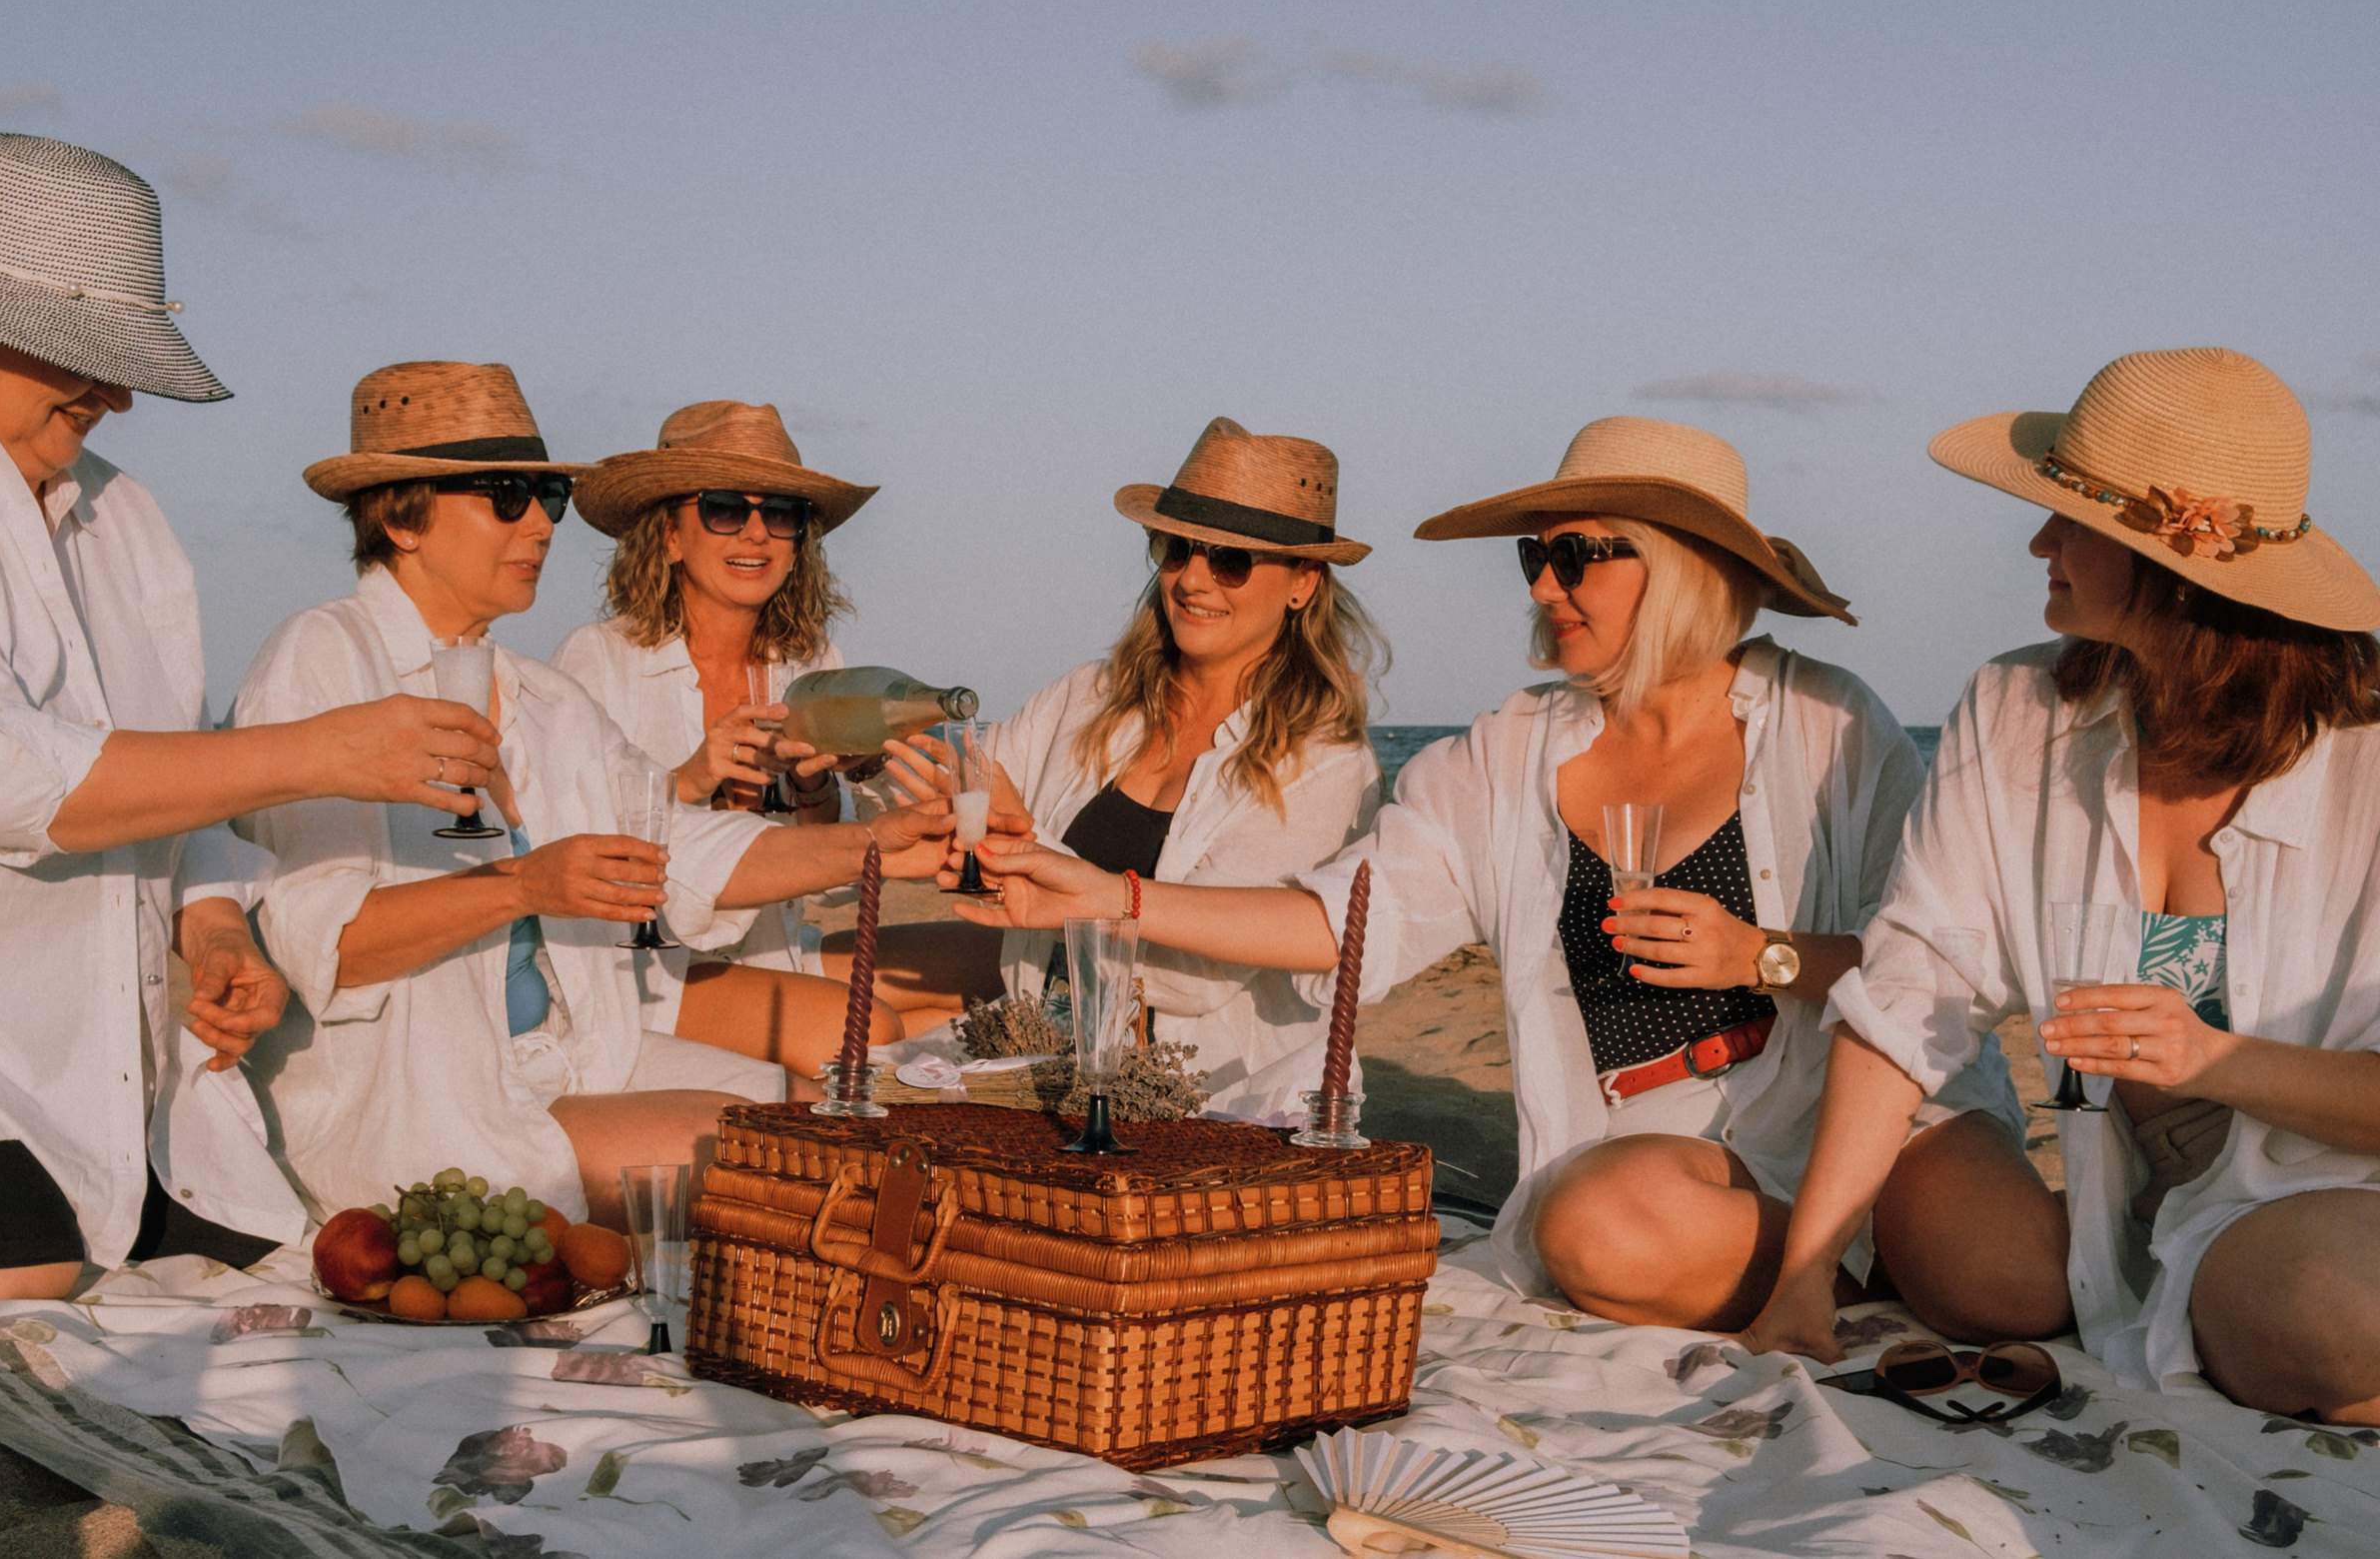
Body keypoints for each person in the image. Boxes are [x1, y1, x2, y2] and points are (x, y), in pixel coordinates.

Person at [956, 416, 2015, 1328]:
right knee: (1595, 1230)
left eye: (1578, 556)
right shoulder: (1506, 753)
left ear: (1683, 563)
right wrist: (1111, 895)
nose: (1543, 585)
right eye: (1533, 560)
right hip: (1663, 1146)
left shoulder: (1830, 725)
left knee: (2002, 1288)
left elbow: (1927, 966)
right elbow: (1341, 921)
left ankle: (1839, 1255)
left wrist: (1759, 953)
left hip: (1855, 1110)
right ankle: (1822, 1272)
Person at [0, 136, 498, 1301]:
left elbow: (182, 774)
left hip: (93, 1043)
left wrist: (213, 929)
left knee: (261, 1278)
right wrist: (325, 749)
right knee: (22, 1278)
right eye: (85, 357)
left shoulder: (120, 514)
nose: (119, 394)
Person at [1745, 349, 2380, 1420]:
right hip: (2107, 1194)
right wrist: (1800, 1274)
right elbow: (1910, 983)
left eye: (2071, 520)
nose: (2037, 540)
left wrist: (2213, 1057)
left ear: (2173, 563)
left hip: (2326, 1185)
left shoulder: (2363, 765)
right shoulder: (2016, 709)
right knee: (1972, 1275)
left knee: (2329, 1311)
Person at [236, 363, 942, 1228]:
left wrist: (874, 845)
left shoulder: (541, 694)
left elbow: (675, 846)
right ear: (398, 517)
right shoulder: (322, 658)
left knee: (841, 1123)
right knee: (783, 1164)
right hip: (421, 1090)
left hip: (577, 1057)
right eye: (507, 496)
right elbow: (327, 947)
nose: (540, 523)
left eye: (548, 498)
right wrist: (524, 887)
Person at [853, 418, 1385, 1120]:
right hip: (1033, 1056)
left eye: (1230, 559)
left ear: (1303, 583)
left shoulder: (1324, 761)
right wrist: (865, 759)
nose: (1193, 578)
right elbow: (946, 800)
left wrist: (1030, 843)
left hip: (1205, 1102)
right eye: (1176, 549)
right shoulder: (1090, 696)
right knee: (841, 1088)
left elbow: (1195, 981)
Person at [555, 402, 900, 1077]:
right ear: (671, 535)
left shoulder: (809, 664)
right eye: (723, 509)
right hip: (643, 967)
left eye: (781, 513)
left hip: (770, 948)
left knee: (974, 981)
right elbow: (574, 842)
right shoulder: (598, 659)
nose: (756, 533)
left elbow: (830, 885)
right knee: (873, 1036)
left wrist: (811, 787)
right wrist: (691, 778)